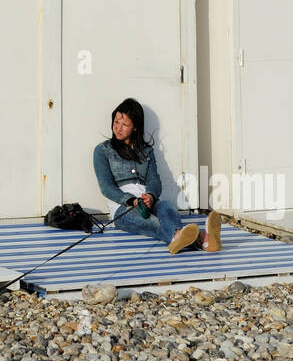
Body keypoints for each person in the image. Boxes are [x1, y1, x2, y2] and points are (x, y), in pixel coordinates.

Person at [93, 98, 221, 254]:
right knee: (151, 222)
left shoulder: (146, 151)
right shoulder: (102, 150)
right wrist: (131, 200)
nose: (118, 128)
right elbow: (106, 187)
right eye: (116, 122)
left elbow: (154, 180)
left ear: (135, 128)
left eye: (124, 125)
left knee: (167, 208)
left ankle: (183, 239)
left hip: (148, 201)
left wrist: (151, 196)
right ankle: (201, 239)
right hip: (123, 209)